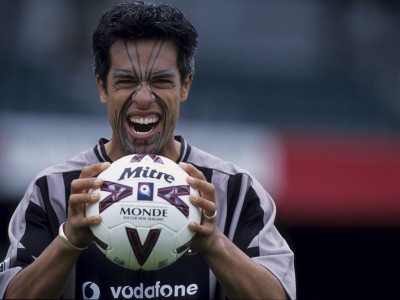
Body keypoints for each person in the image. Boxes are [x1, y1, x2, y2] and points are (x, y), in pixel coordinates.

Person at [0, 1, 296, 299]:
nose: (143, 98)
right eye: (126, 81)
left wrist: (214, 243)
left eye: (161, 81)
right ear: (102, 88)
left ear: (185, 86)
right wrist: (68, 240)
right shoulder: (53, 190)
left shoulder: (234, 189)